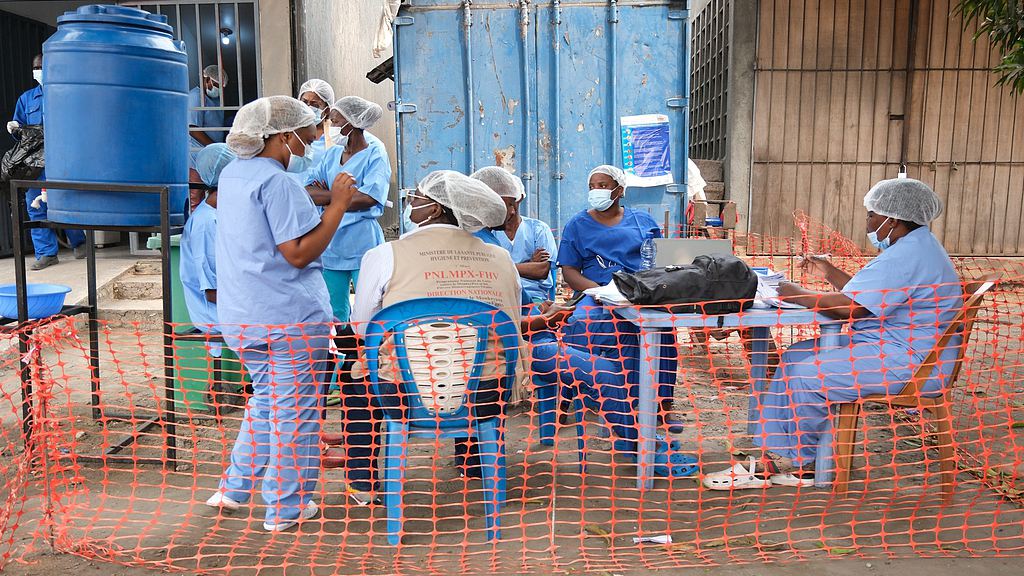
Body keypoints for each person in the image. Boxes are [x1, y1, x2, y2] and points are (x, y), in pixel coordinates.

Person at [702, 178, 962, 490]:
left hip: (913, 364)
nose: (868, 222)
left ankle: (787, 460)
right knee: (794, 357)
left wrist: (795, 293)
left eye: (871, 216)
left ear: (892, 219)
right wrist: (827, 271)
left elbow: (850, 309)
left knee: (809, 375)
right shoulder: (916, 247)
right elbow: (869, 294)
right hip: (893, 347)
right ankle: (791, 456)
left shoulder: (910, 255)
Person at [336, 170, 571, 502]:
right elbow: (511, 317)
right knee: (474, 351)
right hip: (486, 394)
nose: (409, 203)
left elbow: (363, 328)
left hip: (403, 395)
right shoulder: (501, 258)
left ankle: (362, 484)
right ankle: (474, 462)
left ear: (433, 209)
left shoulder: (385, 255)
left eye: (415, 198)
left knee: (356, 371)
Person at [203, 96, 358, 532]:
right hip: (287, 319)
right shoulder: (279, 184)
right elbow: (297, 252)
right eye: (307, 132)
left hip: (244, 317)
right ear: (283, 136)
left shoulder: (233, 175)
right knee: (297, 414)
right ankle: (286, 508)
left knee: (268, 402)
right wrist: (339, 206)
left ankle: (234, 488)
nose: (311, 139)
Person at [556, 165, 682, 433]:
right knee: (584, 323)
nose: (596, 191)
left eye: (602, 185)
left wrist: (638, 291)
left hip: (638, 292)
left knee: (663, 330)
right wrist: (599, 292)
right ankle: (579, 396)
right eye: (592, 186)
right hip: (594, 293)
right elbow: (570, 272)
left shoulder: (643, 222)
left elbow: (658, 261)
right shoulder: (577, 225)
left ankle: (661, 405)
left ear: (620, 190)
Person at [304, 96, 390, 324]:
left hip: (362, 242)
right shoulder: (332, 154)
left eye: (334, 121)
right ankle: (340, 358)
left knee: (369, 311)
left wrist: (328, 196)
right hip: (331, 243)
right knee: (333, 313)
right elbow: (308, 192)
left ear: (350, 124)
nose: (330, 126)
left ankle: (365, 357)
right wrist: (343, 195)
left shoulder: (375, 153)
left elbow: (369, 198)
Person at [8, 54, 85, 270]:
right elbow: (20, 132)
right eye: (36, 67)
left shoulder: (65, 95)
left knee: (66, 202)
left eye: (42, 66)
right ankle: (46, 253)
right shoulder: (26, 99)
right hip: (34, 163)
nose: (39, 70)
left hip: (61, 159)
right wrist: (14, 129)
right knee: (36, 206)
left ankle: (79, 242)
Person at [471, 166, 558, 305]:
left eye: (513, 203)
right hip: (497, 297)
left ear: (520, 198)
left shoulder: (538, 229)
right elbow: (485, 271)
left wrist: (501, 267)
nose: (511, 211)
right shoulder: (485, 233)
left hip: (532, 298)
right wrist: (527, 265)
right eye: (507, 204)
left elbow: (541, 270)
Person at [180, 144, 234, 343]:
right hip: (215, 315)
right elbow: (212, 292)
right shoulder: (206, 222)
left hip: (229, 306)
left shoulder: (220, 214)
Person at [288, 78, 336, 181]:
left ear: (327, 110)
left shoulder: (336, 137)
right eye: (304, 102)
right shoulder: (288, 132)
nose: (308, 107)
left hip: (320, 194)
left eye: (315, 105)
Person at [188, 65, 228, 164]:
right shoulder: (196, 97)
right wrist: (215, 148)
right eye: (216, 86)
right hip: (197, 152)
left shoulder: (217, 100)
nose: (219, 90)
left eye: (221, 88)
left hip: (210, 152)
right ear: (206, 80)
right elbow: (194, 130)